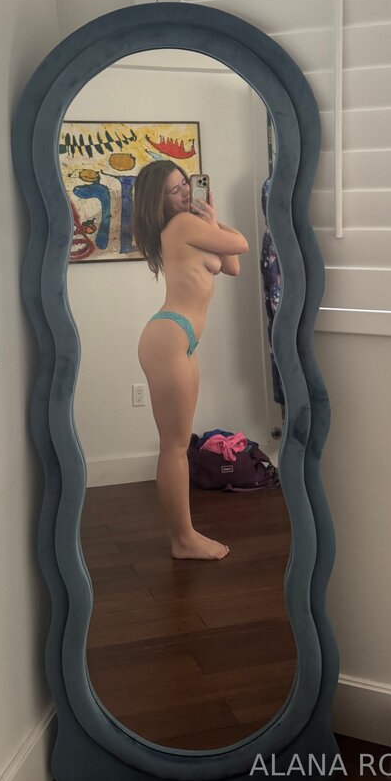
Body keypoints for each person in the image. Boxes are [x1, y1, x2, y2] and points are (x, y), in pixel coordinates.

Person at [132, 160, 249, 560]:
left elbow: (231, 266)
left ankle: (184, 536)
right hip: (168, 337)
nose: (185, 190)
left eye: (185, 182)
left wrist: (211, 218)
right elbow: (241, 245)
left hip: (180, 339)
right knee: (175, 446)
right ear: (159, 202)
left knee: (178, 444)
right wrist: (211, 221)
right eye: (175, 189)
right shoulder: (182, 226)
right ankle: (183, 539)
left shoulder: (192, 227)